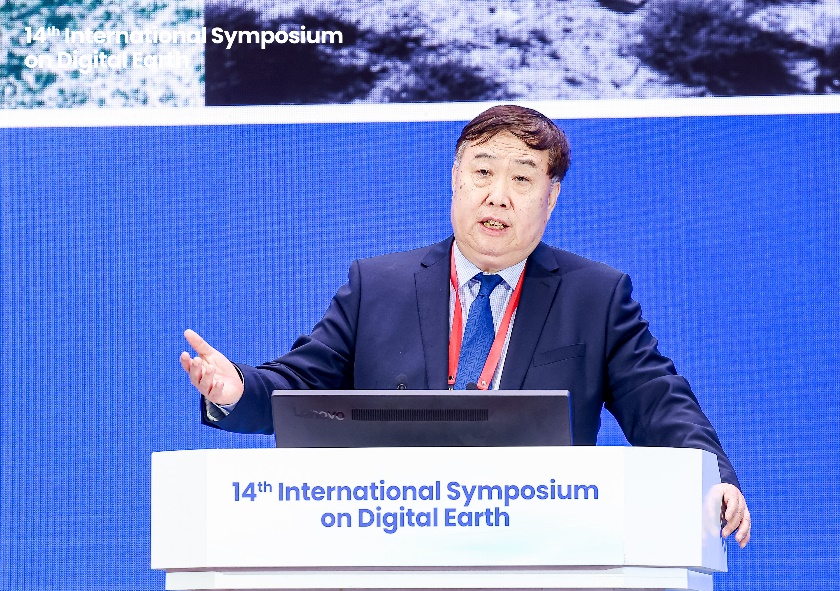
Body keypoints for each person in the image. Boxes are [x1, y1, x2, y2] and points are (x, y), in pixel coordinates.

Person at [180, 105, 751, 548]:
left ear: (551, 197)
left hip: (545, 556)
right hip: (390, 547)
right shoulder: (377, 286)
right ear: (456, 179)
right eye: (482, 172)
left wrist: (713, 476)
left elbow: (658, 401)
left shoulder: (595, 297)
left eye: (522, 179)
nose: (497, 196)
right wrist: (236, 389)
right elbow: (300, 387)